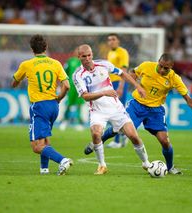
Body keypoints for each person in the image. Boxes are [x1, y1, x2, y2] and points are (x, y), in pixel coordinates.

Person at [84, 53, 192, 175]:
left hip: (155, 111)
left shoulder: (174, 78)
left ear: (171, 67)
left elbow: (187, 97)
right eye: (161, 66)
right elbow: (132, 72)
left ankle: (170, 168)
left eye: (166, 68)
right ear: (158, 61)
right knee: (120, 130)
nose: (162, 69)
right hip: (136, 106)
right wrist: (135, 83)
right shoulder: (147, 66)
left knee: (164, 141)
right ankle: (97, 142)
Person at [73, 44, 151, 175]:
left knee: (133, 136)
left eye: (89, 55)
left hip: (116, 109)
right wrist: (104, 93)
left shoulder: (104, 65)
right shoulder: (78, 75)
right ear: (79, 57)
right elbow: (85, 96)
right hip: (97, 111)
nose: (87, 58)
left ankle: (146, 163)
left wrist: (138, 86)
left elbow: (123, 73)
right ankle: (102, 165)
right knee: (96, 133)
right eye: (84, 56)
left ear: (92, 54)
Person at [11, 34, 73, 175]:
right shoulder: (56, 63)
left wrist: (19, 80)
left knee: (36, 146)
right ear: (46, 47)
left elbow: (14, 83)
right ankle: (44, 169)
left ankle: (63, 160)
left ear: (32, 49)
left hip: (39, 106)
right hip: (53, 106)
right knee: (45, 139)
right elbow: (67, 86)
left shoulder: (26, 64)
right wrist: (59, 99)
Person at [106, 33, 130, 148]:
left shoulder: (122, 52)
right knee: (112, 111)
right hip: (111, 84)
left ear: (118, 41)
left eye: (113, 39)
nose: (111, 41)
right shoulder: (110, 53)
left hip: (119, 83)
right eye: (109, 40)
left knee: (118, 110)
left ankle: (118, 139)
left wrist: (121, 86)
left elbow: (124, 70)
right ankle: (123, 135)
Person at [59, 49, 85, 131]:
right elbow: (64, 72)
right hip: (71, 86)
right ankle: (65, 121)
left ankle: (79, 123)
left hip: (80, 87)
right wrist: (62, 84)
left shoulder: (83, 62)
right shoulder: (70, 61)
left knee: (79, 105)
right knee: (69, 104)